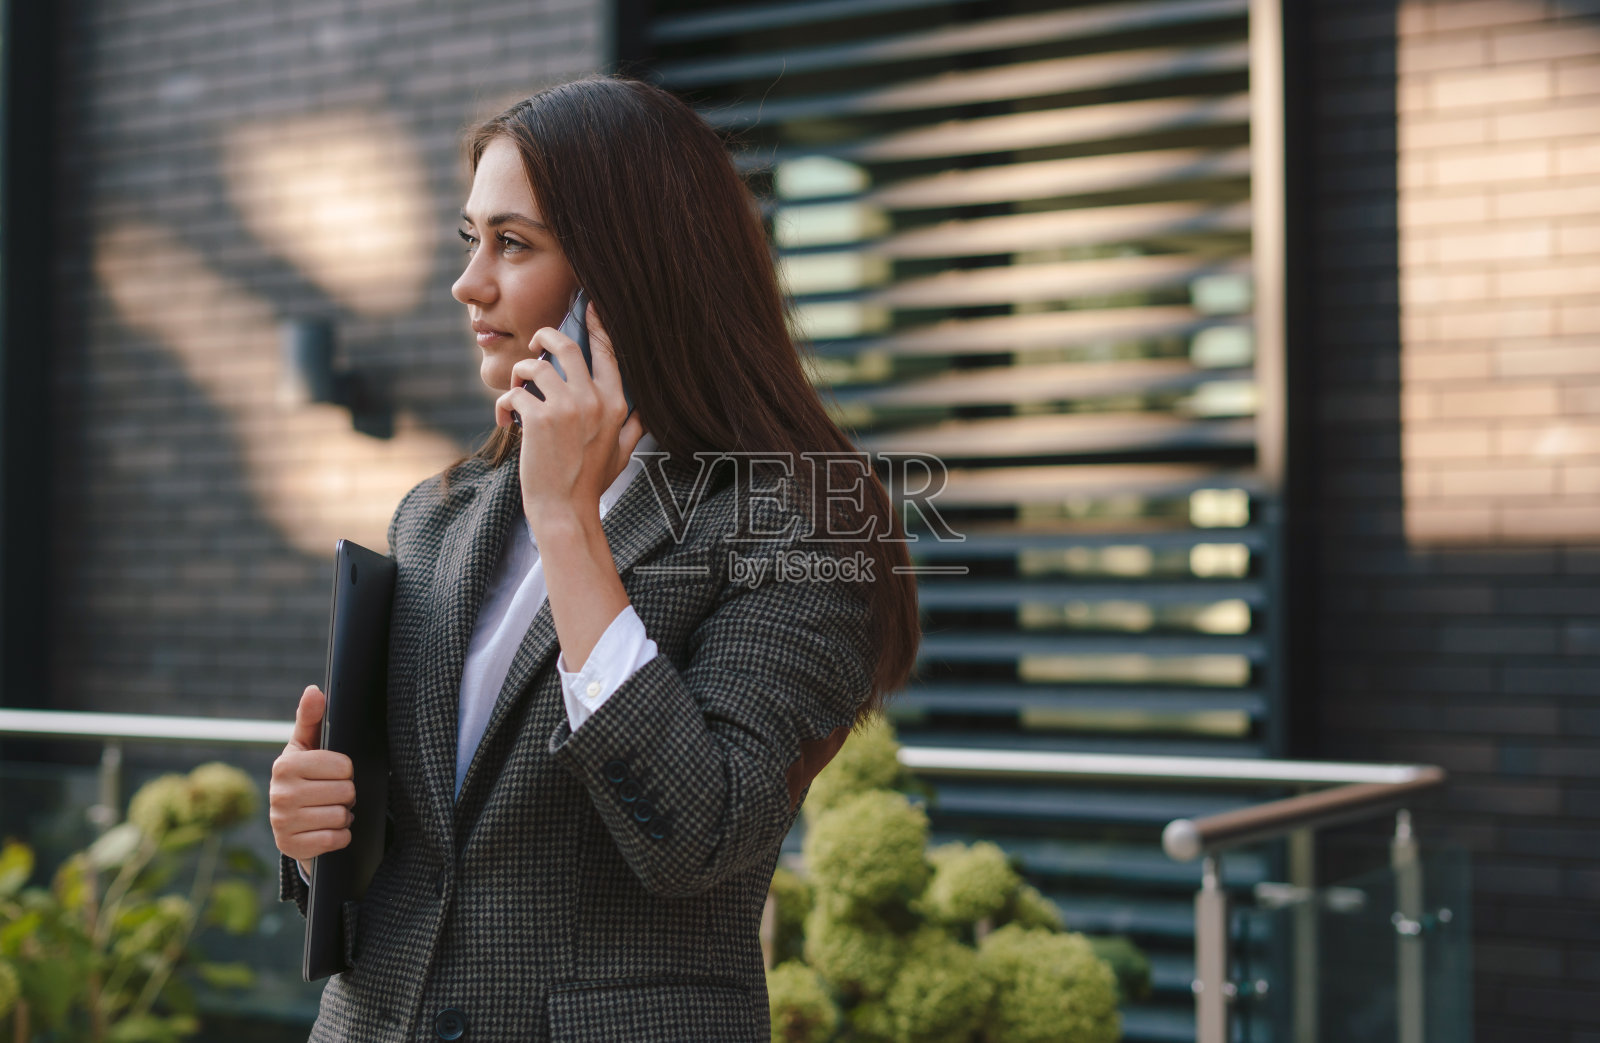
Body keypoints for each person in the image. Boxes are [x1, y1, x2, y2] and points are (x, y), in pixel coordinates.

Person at [267, 75, 921, 1041]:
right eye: (470, 238)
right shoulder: (436, 519)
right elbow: (410, 857)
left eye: (513, 243)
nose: (468, 283)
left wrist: (568, 523)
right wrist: (312, 828)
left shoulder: (798, 525)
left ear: (623, 275)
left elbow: (696, 837)